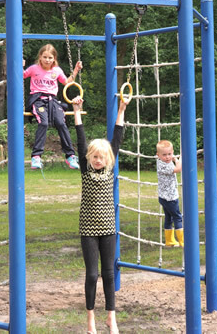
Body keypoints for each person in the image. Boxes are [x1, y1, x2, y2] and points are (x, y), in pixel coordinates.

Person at [72, 95, 128, 334]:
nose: (97, 160)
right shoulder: (85, 170)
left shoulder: (110, 169)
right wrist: (76, 111)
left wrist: (122, 109)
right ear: (89, 158)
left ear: (108, 159)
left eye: (101, 157)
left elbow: (117, 137)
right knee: (92, 274)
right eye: (94, 156)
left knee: (108, 273)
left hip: (108, 229)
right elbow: (81, 139)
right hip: (88, 229)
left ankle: (111, 318)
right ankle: (91, 319)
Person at [23, 44, 82, 170]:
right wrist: (19, 65)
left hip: (53, 100)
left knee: (61, 123)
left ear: (54, 58)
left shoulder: (57, 71)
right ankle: (36, 156)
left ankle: (70, 156)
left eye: (50, 57)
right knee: (43, 123)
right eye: (45, 57)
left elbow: (66, 82)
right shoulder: (34, 68)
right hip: (38, 99)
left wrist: (76, 71)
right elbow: (21, 75)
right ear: (40, 57)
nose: (47, 60)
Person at [156, 140, 184, 247]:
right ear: (158, 155)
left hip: (163, 197)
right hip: (170, 198)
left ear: (172, 152)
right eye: (164, 155)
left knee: (169, 218)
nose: (167, 157)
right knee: (177, 217)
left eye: (169, 154)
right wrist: (180, 159)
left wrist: (174, 159)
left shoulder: (161, 162)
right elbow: (178, 169)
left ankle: (169, 240)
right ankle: (182, 240)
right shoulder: (165, 165)